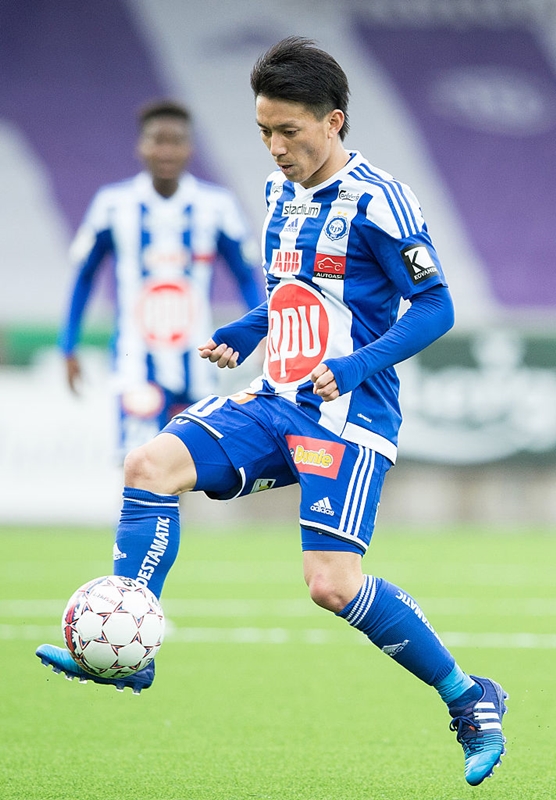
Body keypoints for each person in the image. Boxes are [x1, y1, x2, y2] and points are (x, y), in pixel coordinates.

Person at [38, 38, 507, 787]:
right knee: (149, 463)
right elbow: (296, 293)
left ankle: (469, 697)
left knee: (331, 584)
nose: (275, 147)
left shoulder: (380, 200)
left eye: (289, 131)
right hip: (273, 398)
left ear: (333, 121)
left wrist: (354, 366)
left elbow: (436, 306)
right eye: (264, 131)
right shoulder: (275, 192)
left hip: (347, 415)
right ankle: (134, 642)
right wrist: (248, 329)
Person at [59, 99, 264, 459]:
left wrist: (263, 335)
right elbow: (85, 276)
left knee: (188, 469)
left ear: (189, 148)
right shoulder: (113, 204)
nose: (166, 150)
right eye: (158, 140)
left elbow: (246, 277)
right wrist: (68, 345)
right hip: (135, 364)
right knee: (140, 463)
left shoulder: (216, 206)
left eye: (176, 141)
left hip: (199, 360)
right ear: (141, 147)